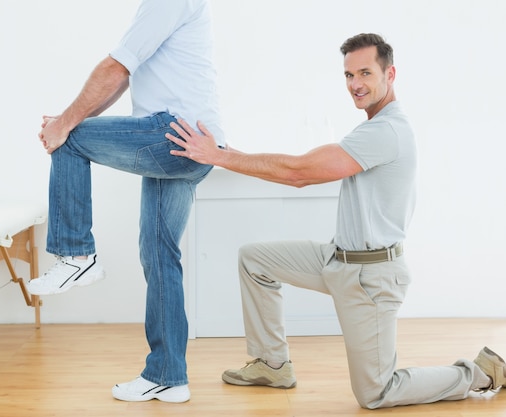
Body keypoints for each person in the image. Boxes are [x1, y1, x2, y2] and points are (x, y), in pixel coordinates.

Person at [165, 33, 505, 409]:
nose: (355, 84)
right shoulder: (374, 127)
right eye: (348, 75)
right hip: (337, 258)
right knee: (255, 259)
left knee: (376, 393)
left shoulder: (387, 131)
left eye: (365, 73)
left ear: (390, 74)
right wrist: (221, 152)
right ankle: (271, 364)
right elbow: (298, 169)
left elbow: (299, 173)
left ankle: (480, 371)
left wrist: (220, 157)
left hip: (372, 278)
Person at [27, 0, 224, 403]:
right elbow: (120, 80)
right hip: (199, 145)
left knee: (69, 140)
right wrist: (69, 120)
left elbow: (115, 67)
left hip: (173, 135)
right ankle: (169, 376)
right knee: (159, 255)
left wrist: (63, 124)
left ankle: (76, 255)